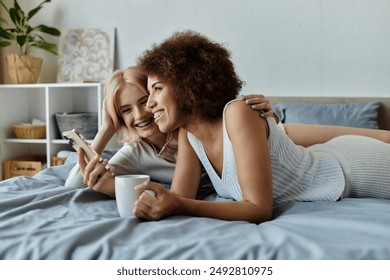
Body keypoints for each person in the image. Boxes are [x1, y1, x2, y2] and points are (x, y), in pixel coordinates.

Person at [133, 30, 390, 224]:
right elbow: (180, 199)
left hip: (355, 168)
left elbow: (258, 209)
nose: (150, 104)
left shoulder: (237, 113)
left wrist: (178, 205)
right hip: (328, 159)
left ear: (187, 84)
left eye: (158, 89)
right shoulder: (190, 134)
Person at [65, 66, 275, 198]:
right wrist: (105, 129)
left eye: (143, 102)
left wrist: (266, 120)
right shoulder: (137, 153)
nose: (139, 116)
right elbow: (74, 184)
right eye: (126, 110)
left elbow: (252, 132)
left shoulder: (193, 126)